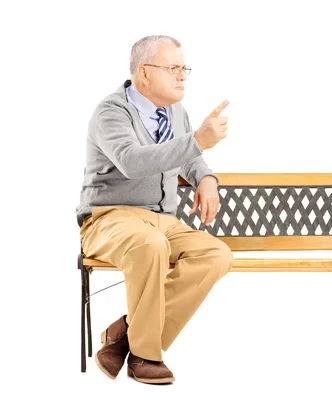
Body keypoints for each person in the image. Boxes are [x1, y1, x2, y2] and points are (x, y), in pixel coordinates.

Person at [76, 35, 233, 384]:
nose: (182, 76)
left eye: (183, 68)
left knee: (216, 254)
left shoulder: (175, 111)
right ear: (144, 73)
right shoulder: (111, 112)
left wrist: (207, 177)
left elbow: (187, 157)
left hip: (163, 221)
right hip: (109, 218)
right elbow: (131, 161)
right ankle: (146, 354)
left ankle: (127, 333)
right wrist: (197, 140)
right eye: (173, 68)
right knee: (150, 245)